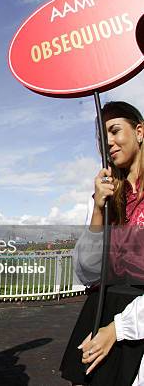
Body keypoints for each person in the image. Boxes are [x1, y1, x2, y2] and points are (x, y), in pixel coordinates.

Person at [60, 101, 144, 386]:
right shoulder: (105, 194)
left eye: (115, 130)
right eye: (101, 136)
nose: (107, 142)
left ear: (140, 131)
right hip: (100, 311)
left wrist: (118, 329)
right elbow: (87, 271)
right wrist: (98, 209)